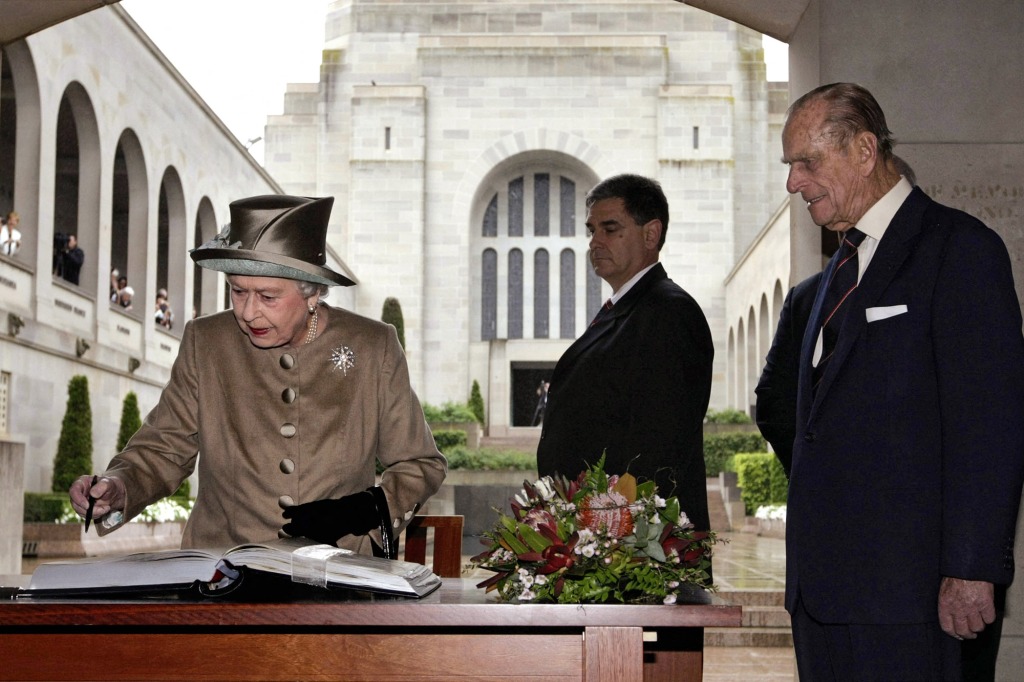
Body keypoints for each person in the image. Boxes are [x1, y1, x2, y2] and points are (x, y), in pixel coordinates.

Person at [759, 82, 1024, 681]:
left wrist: (972, 566)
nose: (792, 183)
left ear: (863, 149)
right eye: (790, 165)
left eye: (807, 162)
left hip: (914, 595)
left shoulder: (959, 250)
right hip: (822, 597)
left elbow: (990, 424)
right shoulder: (832, 274)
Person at [69, 194, 447, 554]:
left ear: (312, 293)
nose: (248, 312)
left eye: (268, 297)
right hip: (223, 573)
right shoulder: (206, 342)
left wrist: (365, 509)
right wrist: (120, 486)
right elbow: (163, 449)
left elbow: (420, 463)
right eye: (237, 292)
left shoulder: (373, 346)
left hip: (338, 577)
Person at [536, 173, 714, 537]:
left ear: (650, 234)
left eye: (610, 228)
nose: (595, 242)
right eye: (591, 230)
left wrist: (612, 536)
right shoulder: (629, 308)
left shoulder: (668, 313)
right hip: (597, 540)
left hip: (634, 551)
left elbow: (660, 447)